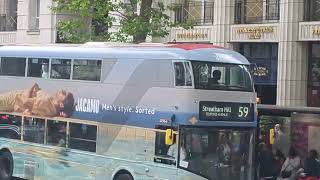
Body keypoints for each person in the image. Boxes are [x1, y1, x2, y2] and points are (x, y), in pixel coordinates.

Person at [0, 83, 75, 118]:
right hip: (15, 99)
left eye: (63, 93)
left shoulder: (45, 103)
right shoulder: (51, 106)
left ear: (61, 104)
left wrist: (32, 88)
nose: (61, 90)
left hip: (14, 99)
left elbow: (25, 102)